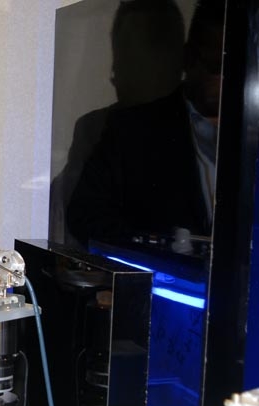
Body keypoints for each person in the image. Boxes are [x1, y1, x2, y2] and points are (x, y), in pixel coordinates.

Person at [65, 0, 223, 249]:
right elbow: (84, 218)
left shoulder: (250, 134)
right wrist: (155, 247)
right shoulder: (125, 131)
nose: (224, 78)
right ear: (188, 57)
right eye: (215, 65)